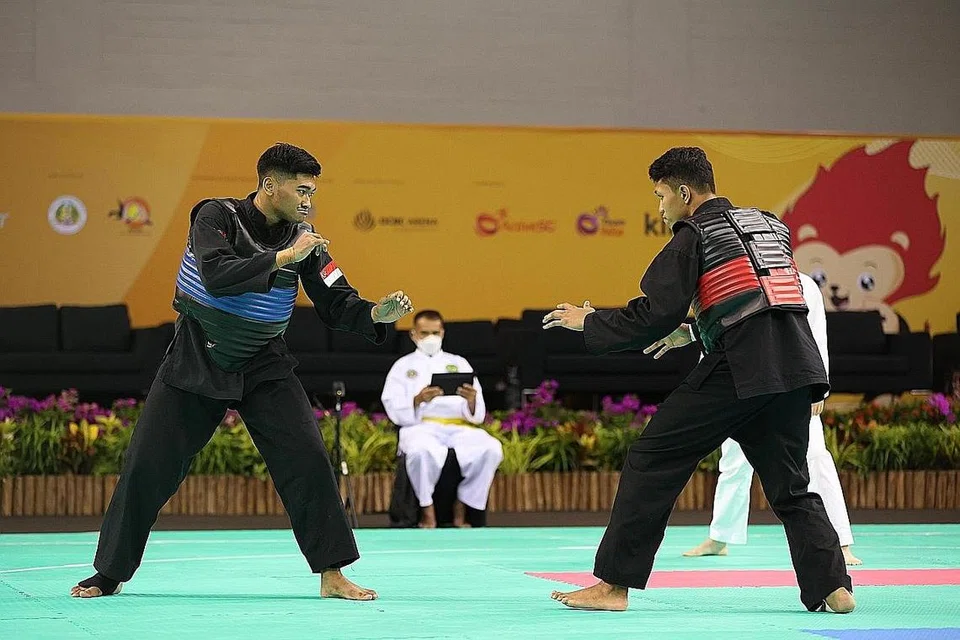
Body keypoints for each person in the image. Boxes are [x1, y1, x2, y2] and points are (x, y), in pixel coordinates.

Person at [71, 143, 414, 600]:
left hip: (264, 362)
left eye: (312, 193)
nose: (308, 201)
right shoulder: (215, 216)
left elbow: (336, 300)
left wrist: (375, 314)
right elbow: (216, 275)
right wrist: (285, 258)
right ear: (270, 185)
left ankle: (332, 574)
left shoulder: (306, 240)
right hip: (196, 355)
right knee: (147, 467)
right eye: (302, 191)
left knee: (308, 460)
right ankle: (109, 573)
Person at [542, 147, 854, 614]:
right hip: (795, 367)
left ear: (684, 193)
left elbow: (655, 313)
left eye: (661, 195)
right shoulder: (768, 225)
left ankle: (613, 586)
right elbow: (757, 299)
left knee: (651, 459)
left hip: (740, 368)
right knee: (792, 486)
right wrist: (692, 330)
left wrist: (589, 320)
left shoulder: (694, 233)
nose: (660, 208)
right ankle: (833, 586)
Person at [683, 272, 861, 565]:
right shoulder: (730, 278)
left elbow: (816, 337)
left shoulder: (802, 284)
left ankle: (840, 541)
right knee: (733, 461)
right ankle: (720, 536)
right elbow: (713, 336)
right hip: (740, 383)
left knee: (815, 456)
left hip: (793, 383)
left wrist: (819, 387)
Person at [381, 310, 502, 528]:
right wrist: (417, 400)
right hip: (421, 426)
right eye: (424, 333)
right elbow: (392, 404)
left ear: (443, 333)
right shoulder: (402, 367)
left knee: (491, 449)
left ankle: (462, 504)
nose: (430, 338)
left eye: (435, 333)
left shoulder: (459, 363)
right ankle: (427, 509)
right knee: (420, 452)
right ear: (413, 334)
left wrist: (471, 400)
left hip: (459, 426)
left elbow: (477, 412)